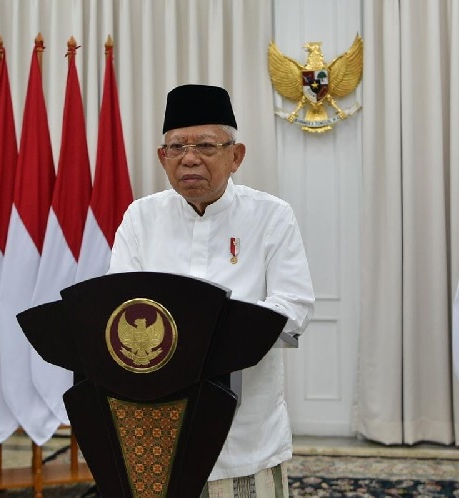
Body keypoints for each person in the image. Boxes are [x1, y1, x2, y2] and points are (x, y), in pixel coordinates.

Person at [107, 84, 315, 497]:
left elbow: (294, 309)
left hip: (245, 428)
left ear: (235, 156)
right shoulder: (140, 218)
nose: (190, 158)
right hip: (157, 422)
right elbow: (118, 308)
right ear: (162, 157)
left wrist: (208, 329)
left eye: (205, 145)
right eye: (177, 147)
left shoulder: (271, 217)